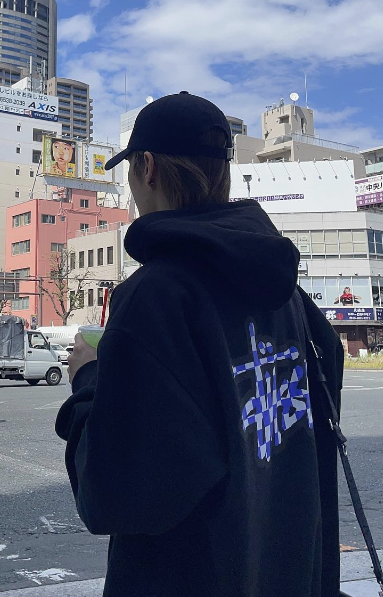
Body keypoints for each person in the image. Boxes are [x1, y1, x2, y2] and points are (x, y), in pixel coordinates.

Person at [55, 92, 344, 597]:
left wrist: (89, 379)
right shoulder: (287, 293)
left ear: (146, 168)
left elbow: (116, 495)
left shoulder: (155, 296)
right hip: (286, 570)